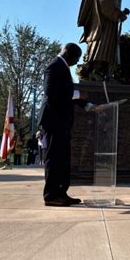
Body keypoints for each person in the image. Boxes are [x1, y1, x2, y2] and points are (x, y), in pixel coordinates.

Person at [38, 43, 94, 207]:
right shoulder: (53, 67)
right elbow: (51, 93)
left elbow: (68, 96)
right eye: (77, 57)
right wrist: (77, 93)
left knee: (62, 159)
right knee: (54, 159)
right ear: (69, 53)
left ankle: (61, 193)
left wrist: (87, 105)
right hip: (54, 121)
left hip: (62, 122)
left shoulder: (62, 68)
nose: (77, 62)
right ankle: (50, 196)